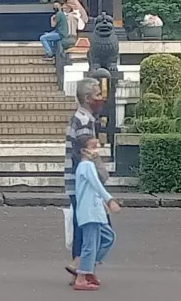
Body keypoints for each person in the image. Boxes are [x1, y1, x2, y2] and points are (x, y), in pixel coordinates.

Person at [64, 78, 104, 277]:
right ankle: (82, 266)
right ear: (88, 98)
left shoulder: (79, 117)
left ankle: (80, 267)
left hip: (76, 182)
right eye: (97, 95)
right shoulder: (84, 120)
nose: (101, 98)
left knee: (82, 227)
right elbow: (83, 155)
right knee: (95, 229)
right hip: (83, 184)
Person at [72, 134, 120, 291]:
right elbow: (97, 185)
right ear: (83, 150)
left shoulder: (86, 166)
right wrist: (110, 200)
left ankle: (87, 267)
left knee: (108, 237)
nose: (96, 150)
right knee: (90, 244)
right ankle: (82, 276)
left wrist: (102, 202)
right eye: (93, 147)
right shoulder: (86, 166)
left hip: (94, 209)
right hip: (89, 211)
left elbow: (94, 189)